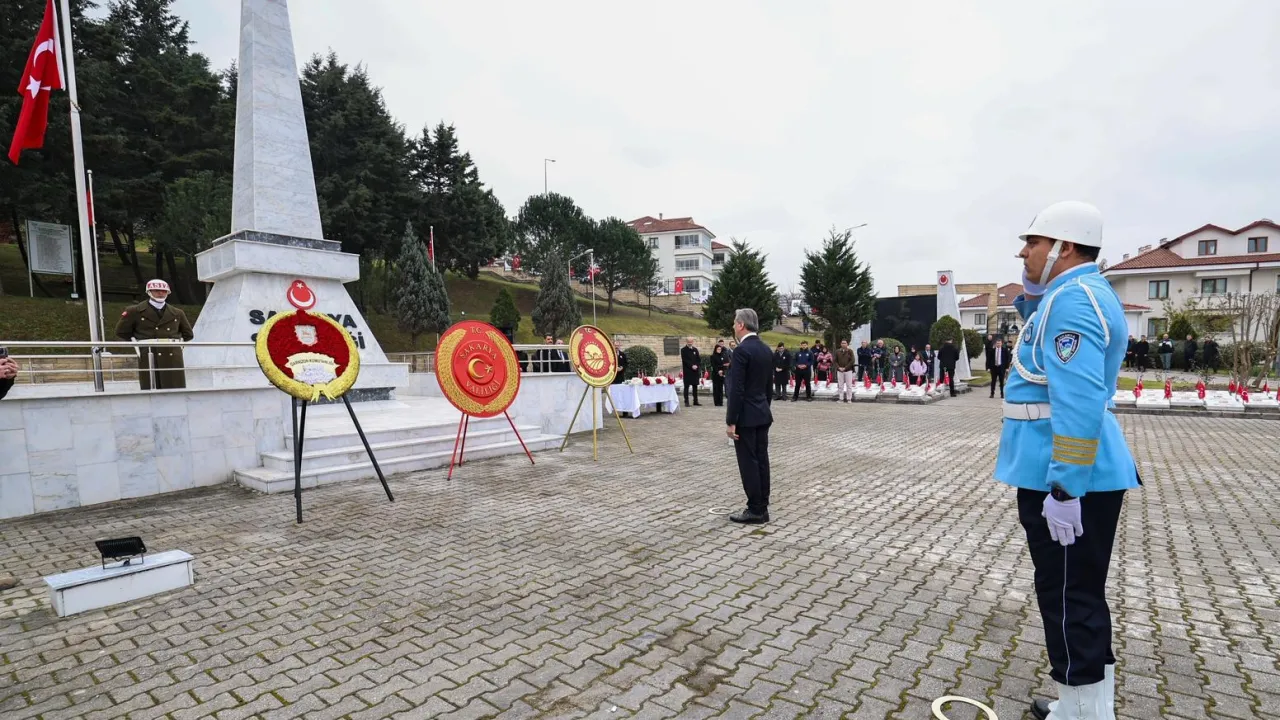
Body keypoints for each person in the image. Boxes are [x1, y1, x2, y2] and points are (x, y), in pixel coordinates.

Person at [997, 200, 1140, 720]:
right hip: (1069, 473)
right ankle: (1089, 706)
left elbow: (1077, 403)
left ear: (1066, 246)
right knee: (1079, 592)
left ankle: (1080, 712)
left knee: (1065, 595)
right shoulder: (1076, 294)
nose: (1023, 252)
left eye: (1033, 242)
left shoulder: (1074, 301)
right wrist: (1035, 295)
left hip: (1063, 477)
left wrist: (1064, 489)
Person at [724, 308, 773, 524]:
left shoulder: (741, 351)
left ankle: (755, 509)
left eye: (735, 323)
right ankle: (762, 506)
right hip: (762, 413)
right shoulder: (765, 349)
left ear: (741, 325)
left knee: (749, 463)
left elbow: (736, 390)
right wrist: (764, 408)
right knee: (761, 460)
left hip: (746, 416)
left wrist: (731, 421)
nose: (733, 327)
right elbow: (768, 387)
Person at [114, 279, 194, 390]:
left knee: (175, 387)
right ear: (149, 292)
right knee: (151, 385)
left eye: (164, 291)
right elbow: (121, 331)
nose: (161, 293)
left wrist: (177, 345)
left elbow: (188, 334)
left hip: (172, 353)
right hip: (149, 352)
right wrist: (140, 341)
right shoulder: (134, 311)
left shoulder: (177, 312)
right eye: (156, 290)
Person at [681, 337, 702, 406]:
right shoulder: (683, 350)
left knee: (695, 386)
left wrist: (696, 365)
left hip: (695, 371)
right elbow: (685, 360)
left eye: (691, 342)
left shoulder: (695, 349)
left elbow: (698, 359)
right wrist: (691, 366)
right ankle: (686, 401)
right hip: (687, 371)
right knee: (686, 386)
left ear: (693, 342)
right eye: (688, 342)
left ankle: (695, 401)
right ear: (686, 342)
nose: (690, 343)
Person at [710, 342, 730, 406]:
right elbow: (713, 365)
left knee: (721, 388)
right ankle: (716, 402)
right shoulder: (713, 356)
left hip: (721, 374)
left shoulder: (722, 356)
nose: (719, 350)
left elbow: (724, 365)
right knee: (716, 388)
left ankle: (721, 402)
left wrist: (722, 370)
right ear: (715, 349)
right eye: (718, 349)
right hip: (716, 374)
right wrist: (718, 371)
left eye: (720, 349)